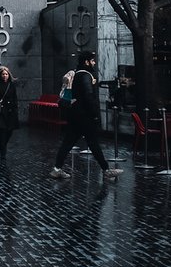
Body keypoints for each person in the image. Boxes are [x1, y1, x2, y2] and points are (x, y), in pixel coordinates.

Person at [50, 51, 121, 181]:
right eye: (92, 60)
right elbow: (88, 96)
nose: (94, 63)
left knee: (68, 142)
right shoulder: (86, 75)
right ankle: (106, 170)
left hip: (75, 115)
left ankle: (56, 169)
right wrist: (94, 114)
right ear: (87, 62)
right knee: (93, 143)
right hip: (85, 116)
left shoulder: (77, 74)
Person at [0, 66, 19, 156]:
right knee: (2, 131)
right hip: (1, 111)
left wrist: (15, 107)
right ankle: (3, 152)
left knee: (10, 131)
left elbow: (15, 97)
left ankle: (4, 145)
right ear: (0, 75)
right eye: (3, 74)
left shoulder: (12, 84)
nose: (5, 76)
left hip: (11, 111)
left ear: (9, 75)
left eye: (6, 74)